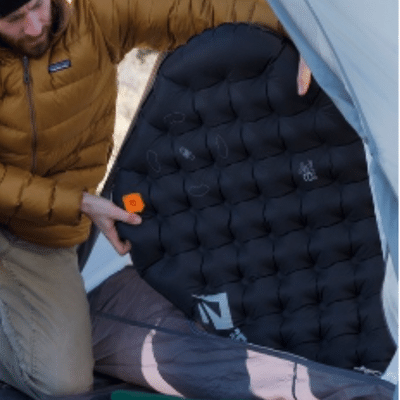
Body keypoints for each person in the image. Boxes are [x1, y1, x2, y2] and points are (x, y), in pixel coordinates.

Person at [0, 0, 311, 398]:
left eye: (37, 6)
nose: (33, 26)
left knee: (64, 384)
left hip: (38, 232)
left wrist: (307, 34)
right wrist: (78, 203)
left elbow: (196, 9)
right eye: (14, 20)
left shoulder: (94, 16)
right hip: (53, 207)